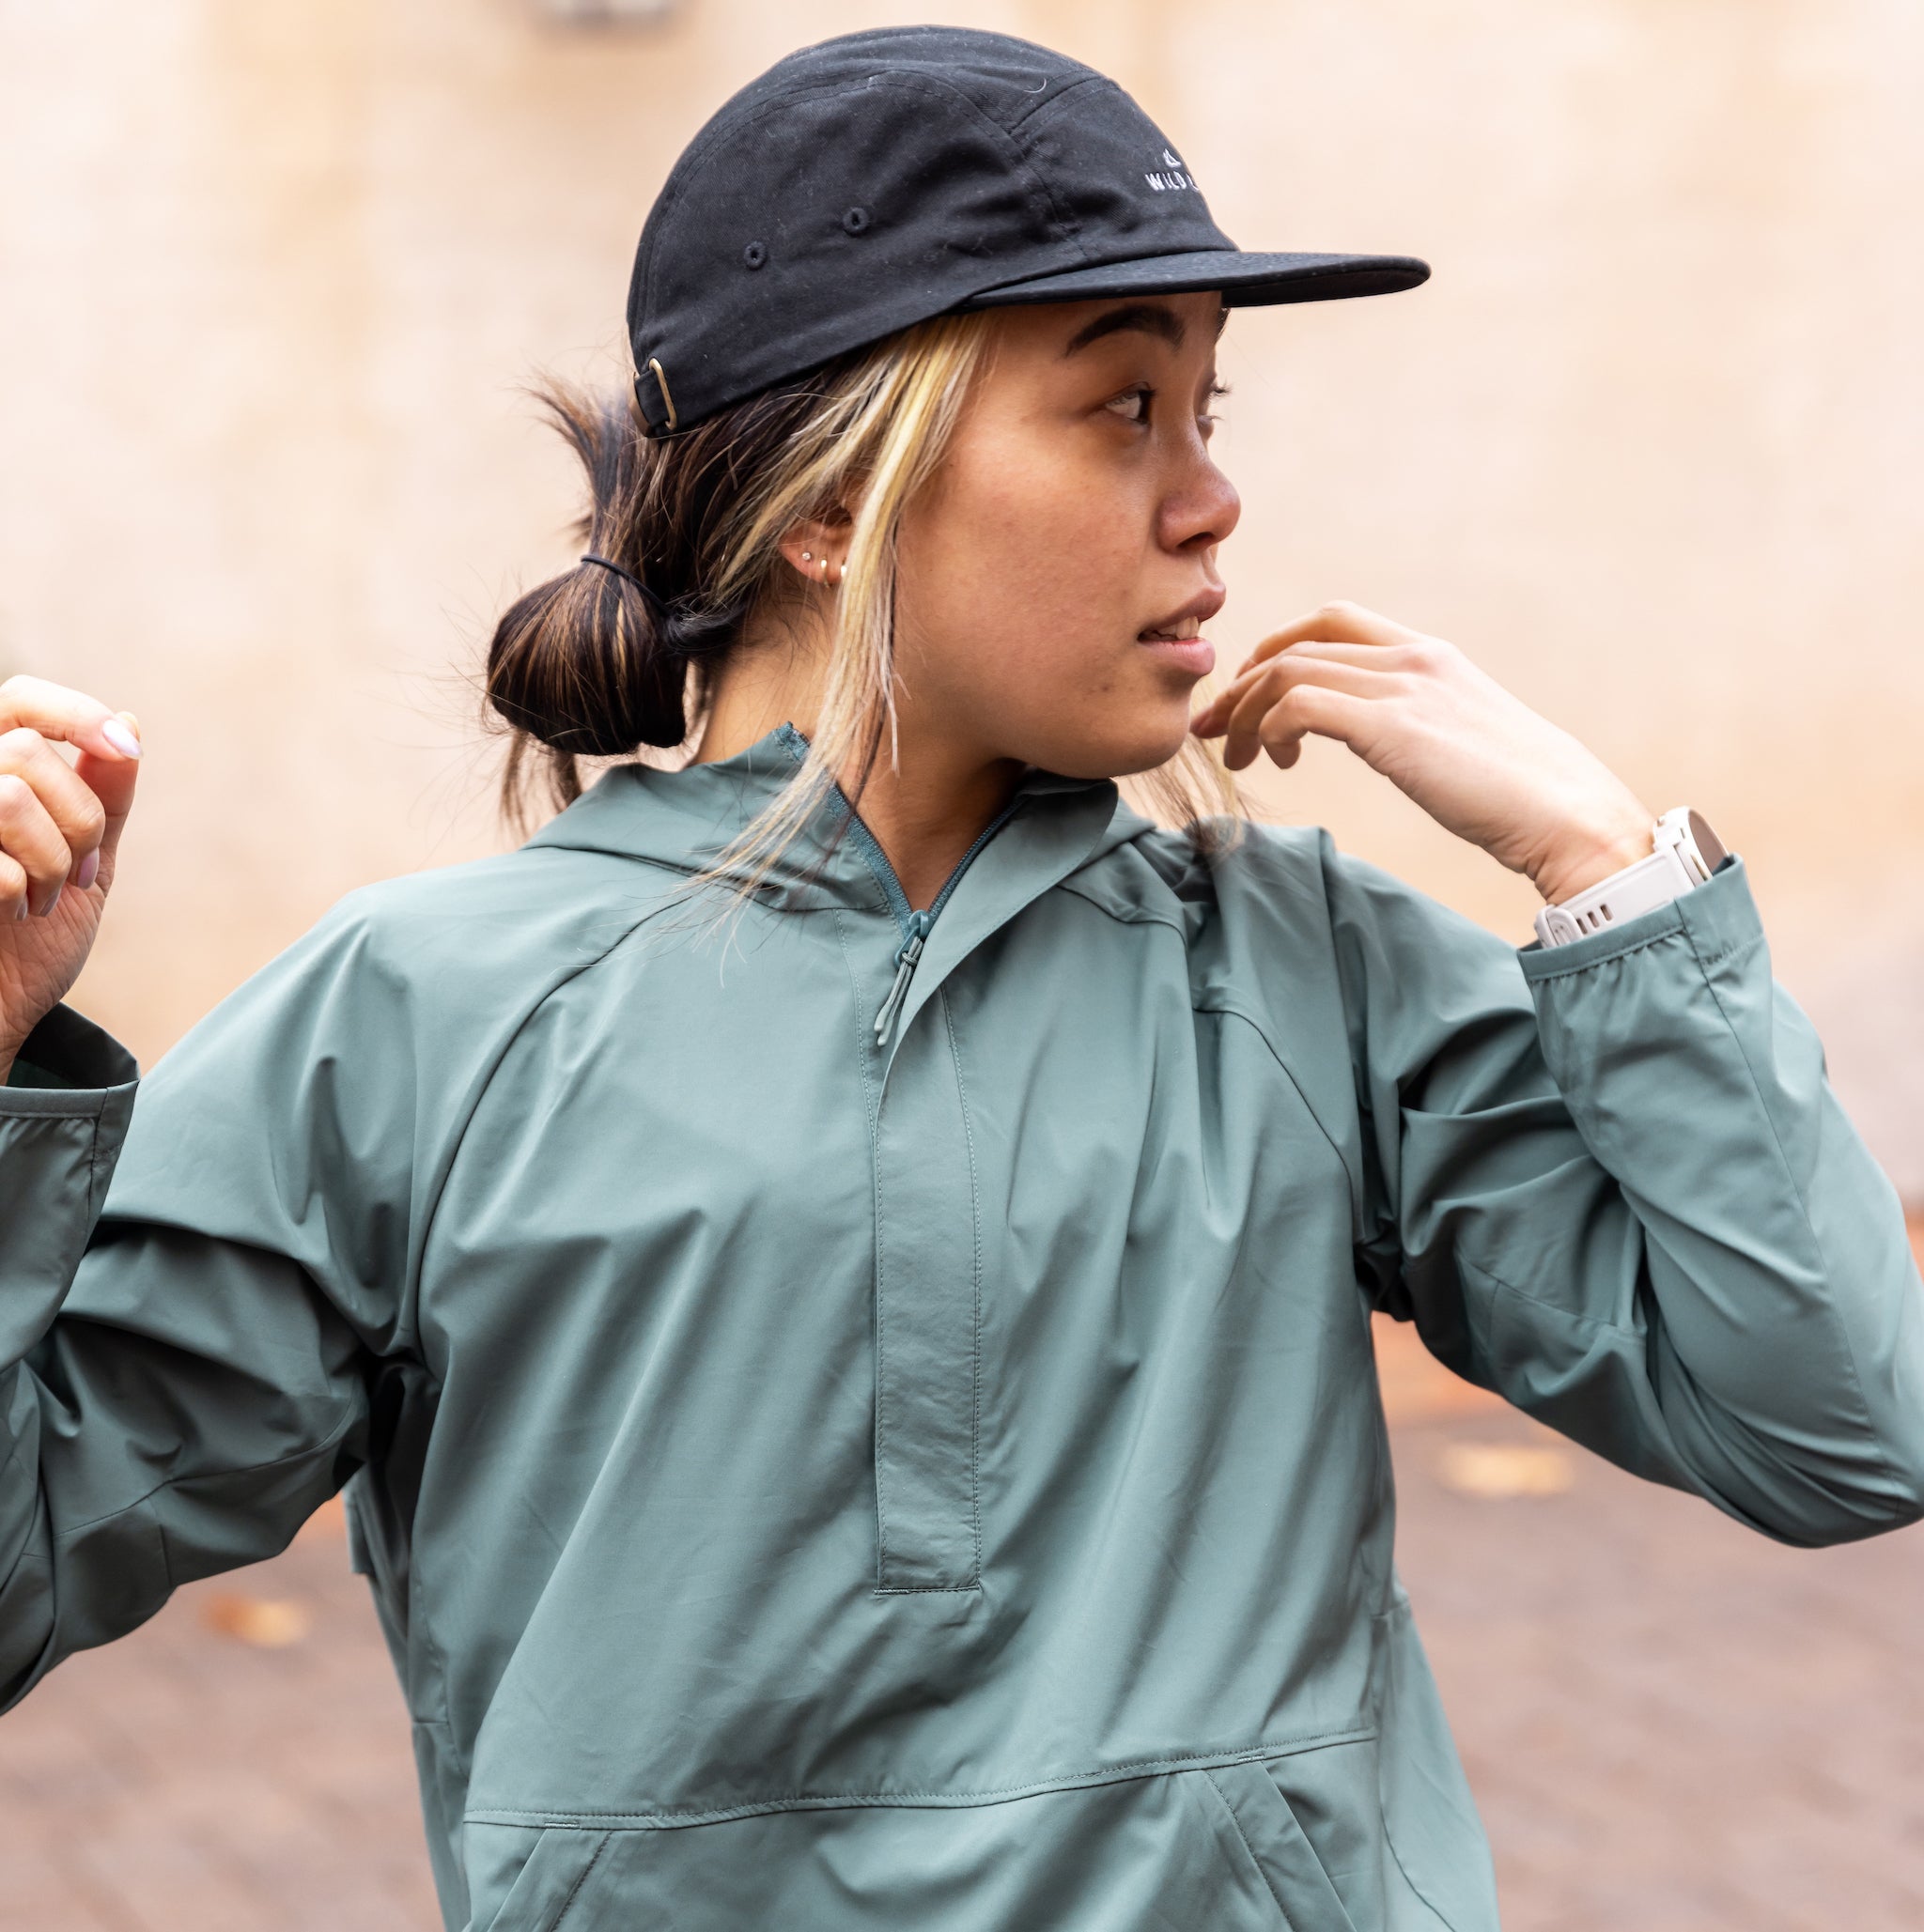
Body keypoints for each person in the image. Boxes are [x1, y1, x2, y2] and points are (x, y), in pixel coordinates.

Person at [1, 25, 1919, 1932]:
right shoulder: (416, 1021)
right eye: (1119, 411)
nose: (1210, 502)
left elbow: (1840, 1429)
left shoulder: (1305, 970)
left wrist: (1608, 874)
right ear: (833, 500)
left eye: (1208, 411)